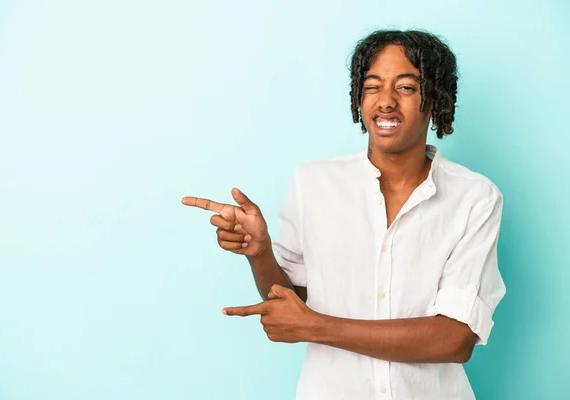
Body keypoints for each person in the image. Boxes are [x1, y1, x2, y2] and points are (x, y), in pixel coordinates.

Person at [182, 29, 505, 400]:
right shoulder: (313, 182)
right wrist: (261, 253)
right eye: (372, 86)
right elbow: (291, 301)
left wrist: (316, 327)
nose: (385, 102)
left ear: (435, 99)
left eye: (405, 88)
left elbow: (454, 339)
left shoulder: (474, 197)